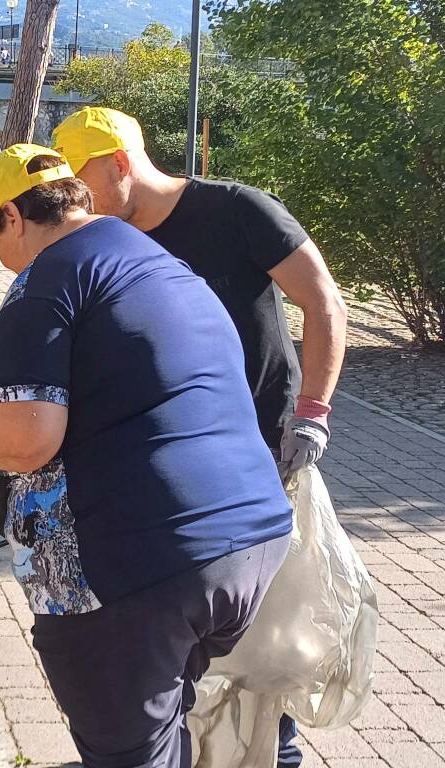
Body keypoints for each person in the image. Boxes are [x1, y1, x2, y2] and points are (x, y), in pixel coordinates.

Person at [0, 144, 293, 768]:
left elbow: (26, 438)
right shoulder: (165, 266)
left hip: (136, 573)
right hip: (251, 544)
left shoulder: (45, 286)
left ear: (12, 218)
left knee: (130, 752)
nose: (6, 267)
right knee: (158, 723)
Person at [52, 106, 348, 767]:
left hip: (264, 463)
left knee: (262, 649)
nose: (74, 205)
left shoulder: (237, 212)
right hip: (165, 471)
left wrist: (312, 414)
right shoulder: (102, 242)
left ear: (121, 165)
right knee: (176, 644)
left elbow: (323, 300)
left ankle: (279, 755)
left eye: (81, 186)